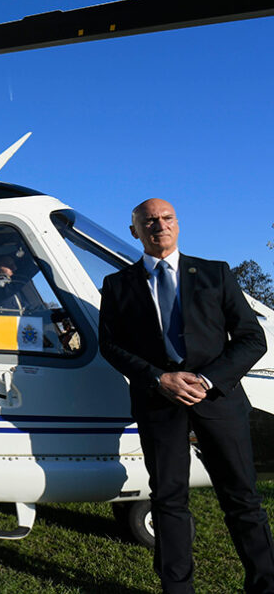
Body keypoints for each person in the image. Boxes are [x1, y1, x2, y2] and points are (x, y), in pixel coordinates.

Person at [98, 198, 274, 593]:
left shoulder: (216, 274)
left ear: (177, 224)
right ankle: (177, 589)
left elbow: (251, 338)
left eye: (166, 218)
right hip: (160, 403)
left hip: (219, 402)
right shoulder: (117, 285)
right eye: (149, 221)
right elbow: (109, 345)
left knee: (243, 500)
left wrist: (208, 380)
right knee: (168, 501)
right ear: (135, 231)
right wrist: (159, 379)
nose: (159, 225)